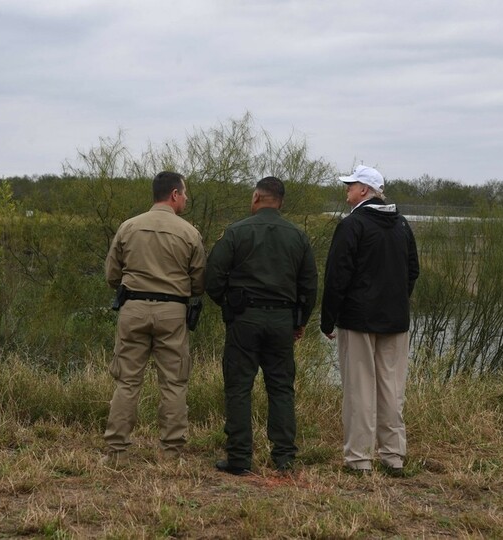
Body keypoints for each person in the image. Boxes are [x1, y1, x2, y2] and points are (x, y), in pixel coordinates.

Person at [205, 176, 318, 475]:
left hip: (244, 318)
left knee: (239, 387)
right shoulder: (298, 236)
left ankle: (239, 458)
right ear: (281, 202)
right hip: (282, 320)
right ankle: (284, 458)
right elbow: (309, 285)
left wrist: (229, 305)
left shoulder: (236, 232)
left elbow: (213, 276)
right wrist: (299, 321)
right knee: (281, 388)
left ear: (256, 197)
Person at [101, 171, 206, 468]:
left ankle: (117, 453)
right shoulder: (189, 233)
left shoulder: (128, 227)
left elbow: (112, 275)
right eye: (184, 193)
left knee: (127, 381)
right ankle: (171, 455)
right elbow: (199, 283)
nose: (186, 198)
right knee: (174, 383)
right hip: (172, 312)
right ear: (174, 194)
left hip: (133, 308)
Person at [320, 165, 419, 476]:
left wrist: (328, 319)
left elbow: (337, 276)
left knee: (359, 390)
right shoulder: (401, 224)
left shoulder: (352, 225)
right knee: (391, 389)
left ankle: (359, 459)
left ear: (364, 190)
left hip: (358, 320)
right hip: (395, 321)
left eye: (351, 185)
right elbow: (412, 270)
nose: (347, 189)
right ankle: (393, 456)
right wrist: (396, 301)